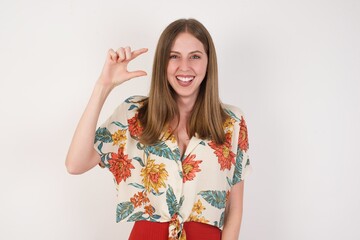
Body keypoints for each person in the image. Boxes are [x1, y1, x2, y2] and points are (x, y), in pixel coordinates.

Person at [66, 18, 251, 240]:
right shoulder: (134, 114)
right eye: (174, 56)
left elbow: (234, 210)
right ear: (162, 62)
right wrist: (103, 86)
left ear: (208, 62)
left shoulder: (232, 122)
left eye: (195, 56)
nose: (185, 67)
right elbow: (75, 164)